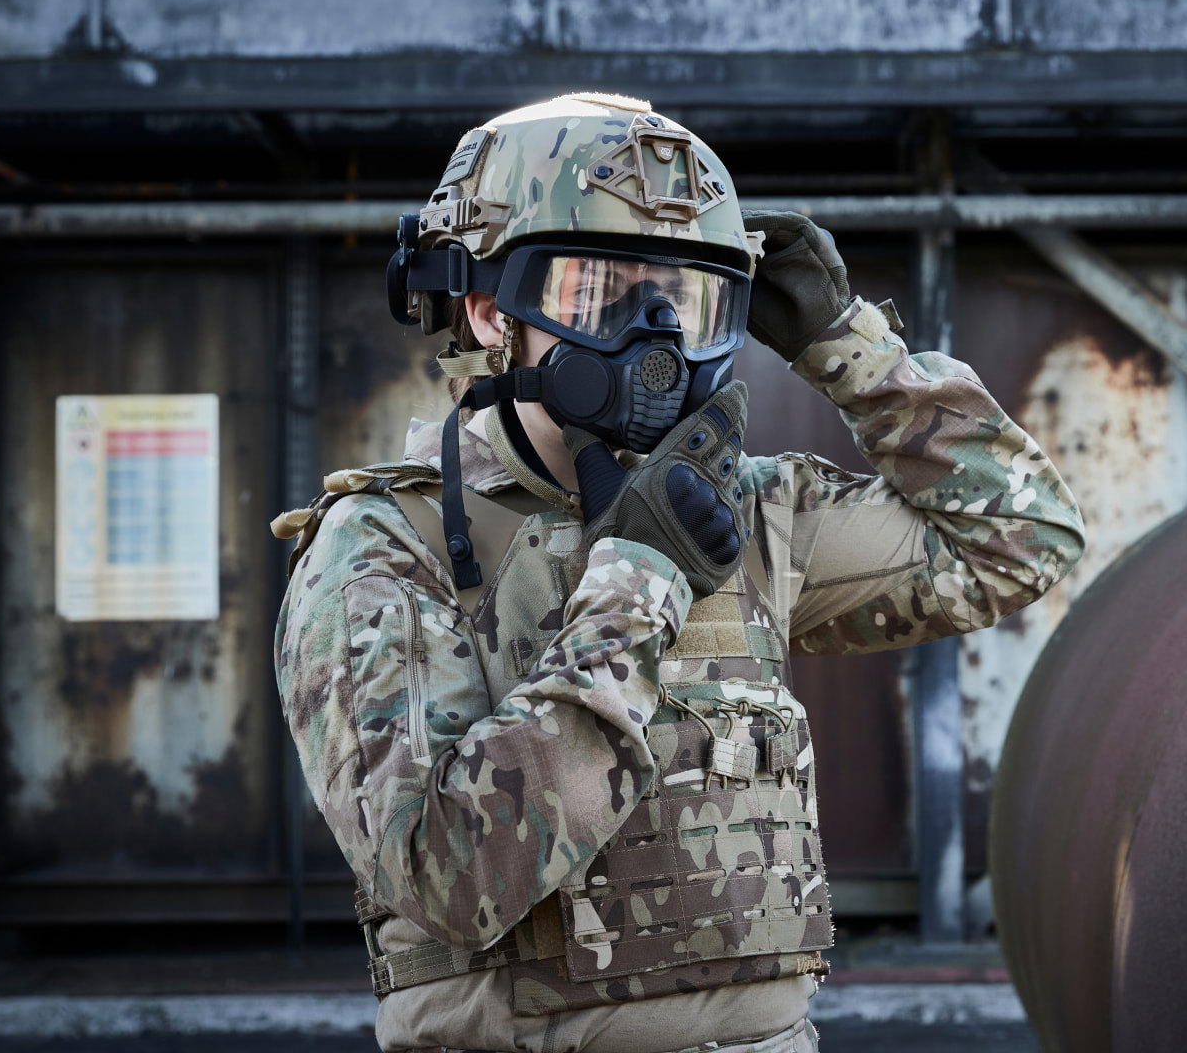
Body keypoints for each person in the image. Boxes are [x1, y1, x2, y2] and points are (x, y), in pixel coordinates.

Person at [272, 93, 1084, 1053]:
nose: (653, 334)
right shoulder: (383, 544)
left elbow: (1022, 539)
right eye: (600, 294)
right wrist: (642, 578)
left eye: (687, 301)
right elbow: (448, 877)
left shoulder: (747, 510)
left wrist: (850, 348)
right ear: (492, 312)